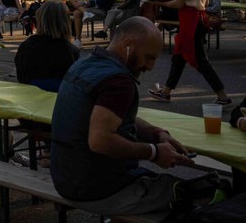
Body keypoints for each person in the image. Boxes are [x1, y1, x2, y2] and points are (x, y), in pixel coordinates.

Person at [51, 17, 197, 216]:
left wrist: (156, 134)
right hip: (98, 189)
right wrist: (154, 153)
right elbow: (100, 141)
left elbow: (111, 116)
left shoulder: (83, 65)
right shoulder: (118, 81)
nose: (151, 66)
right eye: (149, 57)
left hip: (65, 179)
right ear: (128, 45)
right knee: (195, 194)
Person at [148, 0, 231, 105]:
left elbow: (179, 3)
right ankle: (166, 91)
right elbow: (205, 2)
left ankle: (223, 96)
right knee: (178, 57)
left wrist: (158, 1)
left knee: (200, 61)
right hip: (199, 18)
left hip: (189, 22)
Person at [15, 1, 79, 92]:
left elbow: (21, 76)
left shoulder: (27, 47)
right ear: (66, 22)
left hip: (30, 96)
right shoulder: (70, 51)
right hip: (59, 99)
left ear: (39, 20)